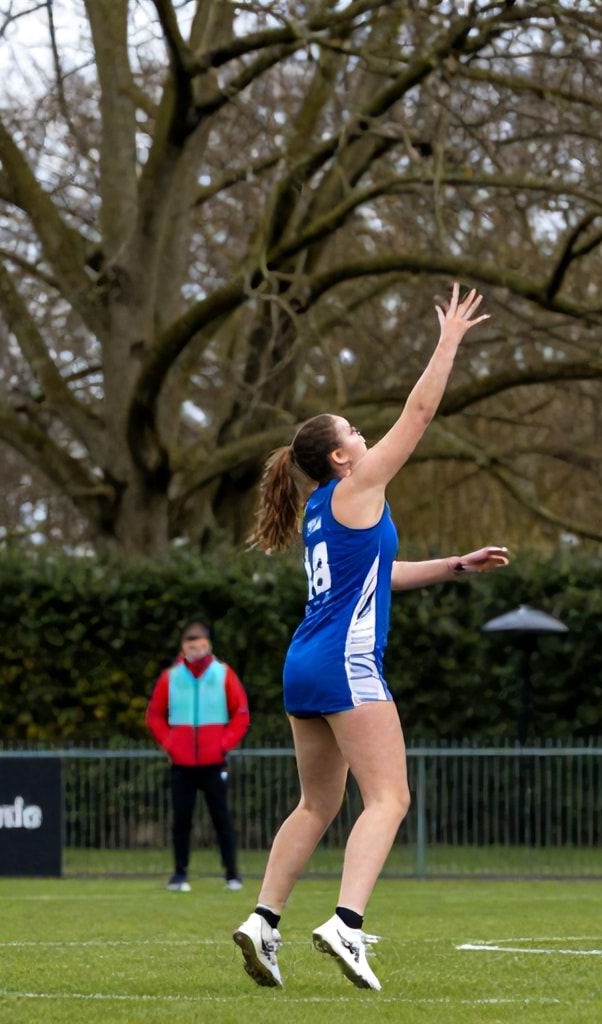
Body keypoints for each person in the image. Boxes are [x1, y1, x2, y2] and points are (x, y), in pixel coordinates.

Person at [231, 284, 511, 992]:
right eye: (353, 431)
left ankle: (264, 920)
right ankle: (346, 925)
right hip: (346, 661)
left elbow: (377, 578)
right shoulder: (357, 487)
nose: (363, 435)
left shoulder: (325, 508)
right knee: (390, 799)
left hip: (305, 663)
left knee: (318, 805)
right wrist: (448, 340)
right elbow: (419, 415)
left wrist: (454, 566)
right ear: (340, 459)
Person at [146, 619, 250, 892]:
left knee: (222, 819)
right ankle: (179, 874)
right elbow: (154, 715)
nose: (196, 648)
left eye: (200, 642)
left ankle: (232, 874)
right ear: (183, 646)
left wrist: (223, 744)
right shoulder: (171, 677)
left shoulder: (223, 673)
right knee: (181, 820)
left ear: (208, 644)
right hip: (181, 763)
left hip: (214, 761)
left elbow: (241, 712)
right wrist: (170, 743)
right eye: (190, 643)